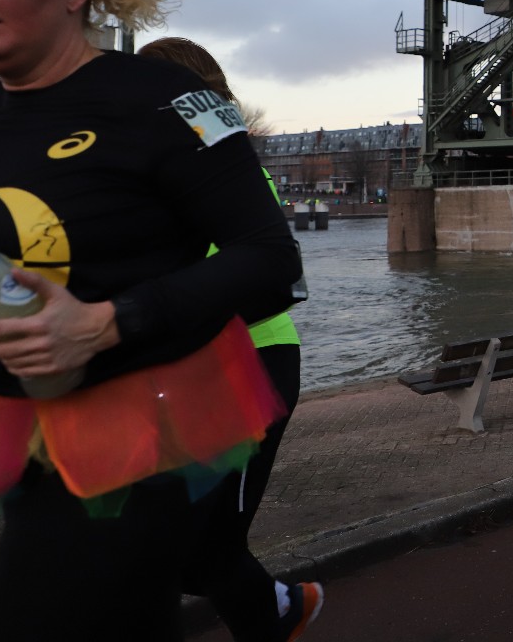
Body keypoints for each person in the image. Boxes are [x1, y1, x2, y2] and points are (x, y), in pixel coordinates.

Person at [0, 0, 305, 640]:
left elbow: (270, 259)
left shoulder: (170, 100)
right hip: (18, 427)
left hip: (142, 427)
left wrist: (107, 323)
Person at [135, 37, 321, 640]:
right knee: (187, 547)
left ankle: (281, 612)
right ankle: (278, 613)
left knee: (206, 550)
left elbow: (267, 277)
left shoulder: (227, 170)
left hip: (253, 365)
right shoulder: (160, 170)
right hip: (196, 373)